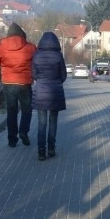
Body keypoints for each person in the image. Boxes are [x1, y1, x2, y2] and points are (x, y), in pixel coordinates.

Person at [0, 22, 37, 148]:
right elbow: (36, 61)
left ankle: (12, 139)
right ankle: (23, 131)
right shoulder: (30, 47)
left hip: (8, 82)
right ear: (22, 34)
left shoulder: (1, 47)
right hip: (24, 83)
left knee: (11, 111)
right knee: (26, 109)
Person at [31, 31, 67, 161]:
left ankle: (41, 151)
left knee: (41, 123)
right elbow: (64, 75)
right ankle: (51, 148)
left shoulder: (36, 55)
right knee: (53, 121)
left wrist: (41, 81)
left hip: (40, 91)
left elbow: (33, 74)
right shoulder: (58, 56)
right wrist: (57, 82)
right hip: (55, 91)